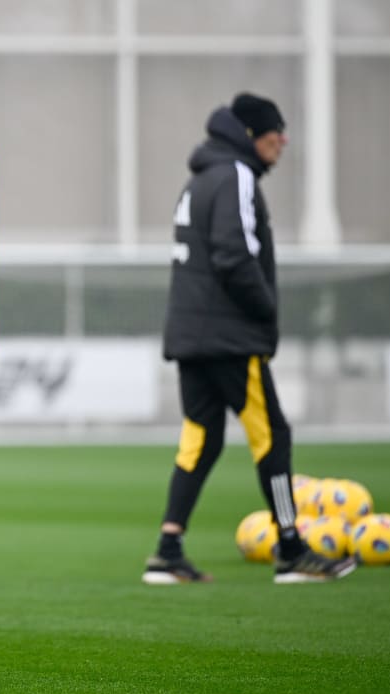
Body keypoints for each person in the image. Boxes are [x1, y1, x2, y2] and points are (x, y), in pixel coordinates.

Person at [144, 92, 358, 586]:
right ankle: (291, 546)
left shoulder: (199, 178)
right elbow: (233, 255)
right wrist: (265, 312)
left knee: (201, 439)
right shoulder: (235, 175)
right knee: (273, 436)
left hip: (191, 335)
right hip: (229, 339)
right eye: (273, 133)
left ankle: (168, 549)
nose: (282, 141)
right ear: (248, 136)